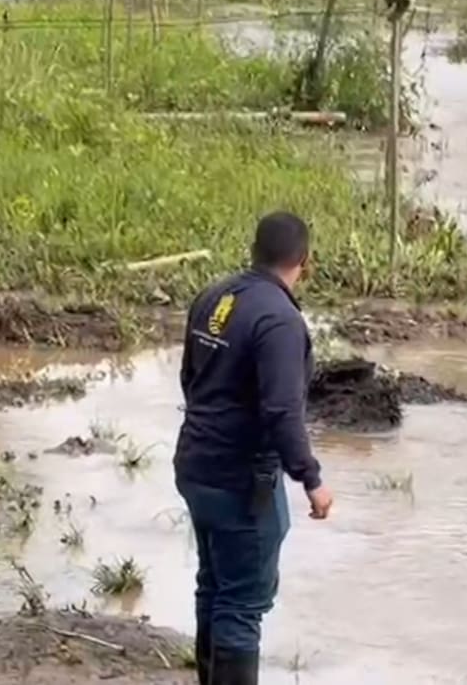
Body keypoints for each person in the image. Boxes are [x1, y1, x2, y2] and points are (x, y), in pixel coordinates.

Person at [173, 211, 335, 685]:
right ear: (304, 261)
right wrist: (312, 479)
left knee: (215, 585)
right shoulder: (280, 321)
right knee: (242, 604)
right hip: (242, 481)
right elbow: (283, 412)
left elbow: (190, 377)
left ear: (255, 251)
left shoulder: (215, 296)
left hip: (195, 465)